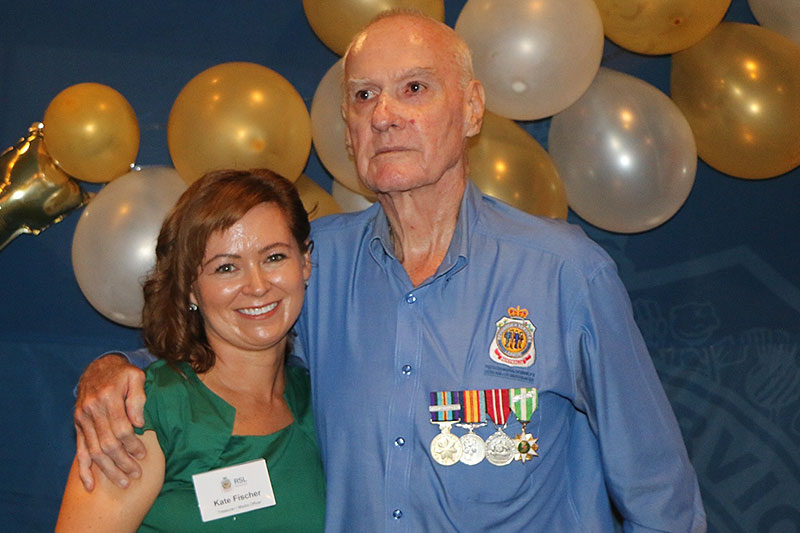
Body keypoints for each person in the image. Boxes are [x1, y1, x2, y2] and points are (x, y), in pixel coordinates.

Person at [73, 11, 706, 531]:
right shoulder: (310, 264)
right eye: (364, 95)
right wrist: (109, 373)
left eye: (415, 88)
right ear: (348, 130)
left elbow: (661, 500)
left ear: (473, 109)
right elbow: (223, 330)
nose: (385, 114)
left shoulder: (566, 275)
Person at [59, 169, 325, 531]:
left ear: (305, 262)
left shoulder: (319, 403)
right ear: (189, 289)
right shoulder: (143, 410)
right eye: (227, 267)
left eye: (274, 258)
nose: (257, 285)